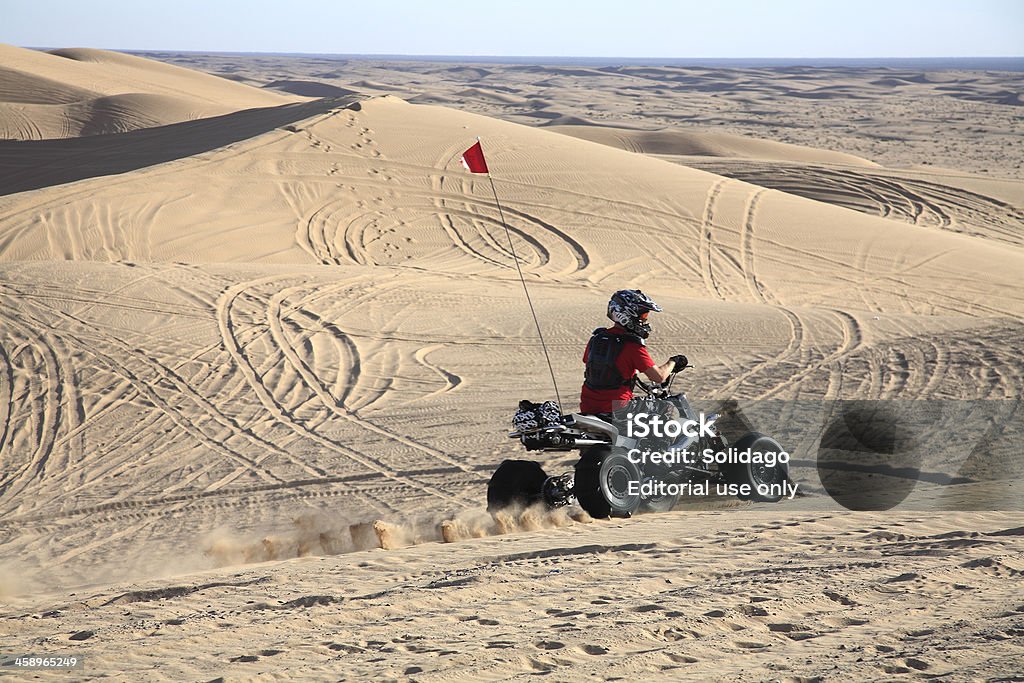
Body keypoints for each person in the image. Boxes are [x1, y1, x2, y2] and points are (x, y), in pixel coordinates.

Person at [580, 290, 686, 418]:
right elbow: (659, 377)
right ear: (628, 316)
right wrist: (674, 361)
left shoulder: (596, 339)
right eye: (643, 316)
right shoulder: (632, 345)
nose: (645, 321)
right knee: (669, 409)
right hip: (619, 410)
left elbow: (597, 366)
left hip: (588, 407)